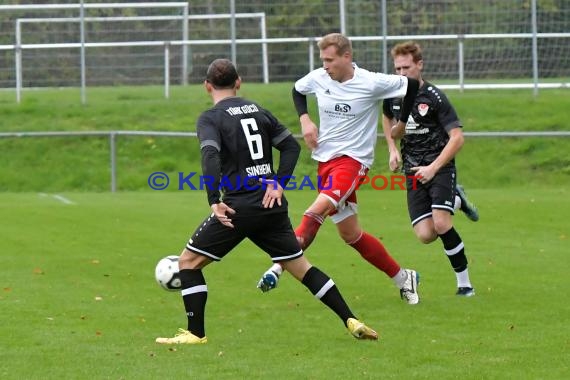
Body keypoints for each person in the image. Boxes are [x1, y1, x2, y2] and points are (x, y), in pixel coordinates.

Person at [155, 58, 378, 345]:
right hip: (271, 206)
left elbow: (210, 156)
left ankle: (195, 333)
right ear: (239, 83)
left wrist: (214, 199)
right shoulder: (258, 111)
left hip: (238, 208)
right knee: (301, 268)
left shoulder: (210, 118)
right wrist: (278, 183)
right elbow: (290, 146)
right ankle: (351, 319)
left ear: (207, 86)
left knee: (187, 262)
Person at [256, 33, 421, 305]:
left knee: (316, 210)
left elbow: (411, 84)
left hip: (353, 162)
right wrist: (306, 120)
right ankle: (404, 278)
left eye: (330, 60)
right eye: (322, 60)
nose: (325, 66)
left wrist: (401, 124)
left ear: (347, 57)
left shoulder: (371, 82)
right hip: (325, 162)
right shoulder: (320, 78)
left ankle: (277, 267)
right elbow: (298, 89)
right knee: (351, 235)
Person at [382, 41, 478, 296]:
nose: (401, 74)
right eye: (397, 69)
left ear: (419, 65)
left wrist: (434, 168)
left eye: (406, 68)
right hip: (413, 171)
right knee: (425, 235)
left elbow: (457, 138)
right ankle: (456, 199)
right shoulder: (392, 95)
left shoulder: (434, 98)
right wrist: (392, 149)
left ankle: (464, 284)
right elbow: (386, 118)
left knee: (442, 223)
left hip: (440, 167)